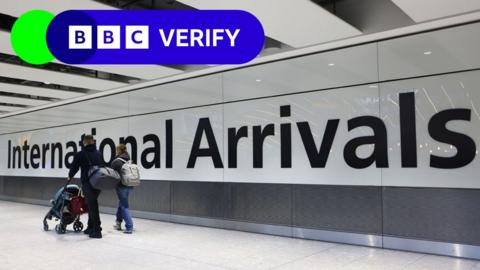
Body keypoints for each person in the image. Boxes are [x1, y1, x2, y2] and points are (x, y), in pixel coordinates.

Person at [68, 134, 104, 239]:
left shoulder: (81, 154)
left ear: (84, 142)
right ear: (93, 141)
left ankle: (97, 230)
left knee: (92, 206)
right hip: (98, 182)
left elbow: (74, 167)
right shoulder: (98, 153)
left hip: (88, 183)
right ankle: (90, 227)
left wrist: (69, 176)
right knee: (90, 205)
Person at [110, 144, 134, 234]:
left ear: (118, 150)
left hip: (121, 186)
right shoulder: (129, 160)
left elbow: (111, 175)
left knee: (124, 206)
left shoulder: (116, 162)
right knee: (122, 203)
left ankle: (129, 227)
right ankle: (118, 223)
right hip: (130, 185)